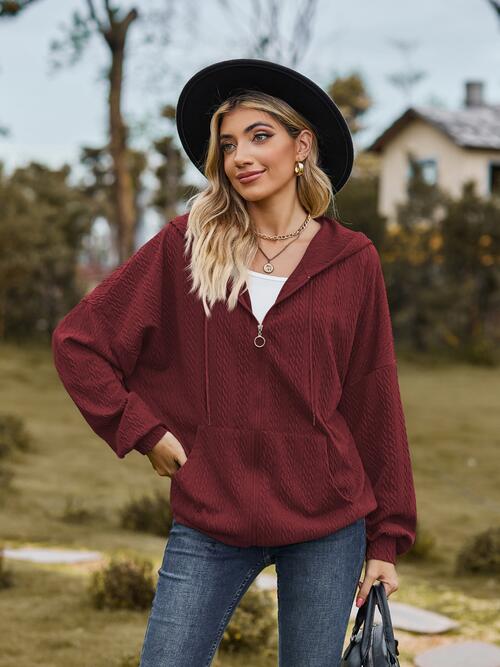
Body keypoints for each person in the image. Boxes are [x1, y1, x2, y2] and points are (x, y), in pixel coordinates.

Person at [52, 58, 417, 667]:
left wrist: (386, 539)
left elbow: (373, 397)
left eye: (259, 136)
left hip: (328, 521)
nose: (240, 156)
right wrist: (142, 430)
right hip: (211, 513)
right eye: (227, 145)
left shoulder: (353, 259)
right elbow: (80, 342)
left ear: (302, 147)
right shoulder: (186, 244)